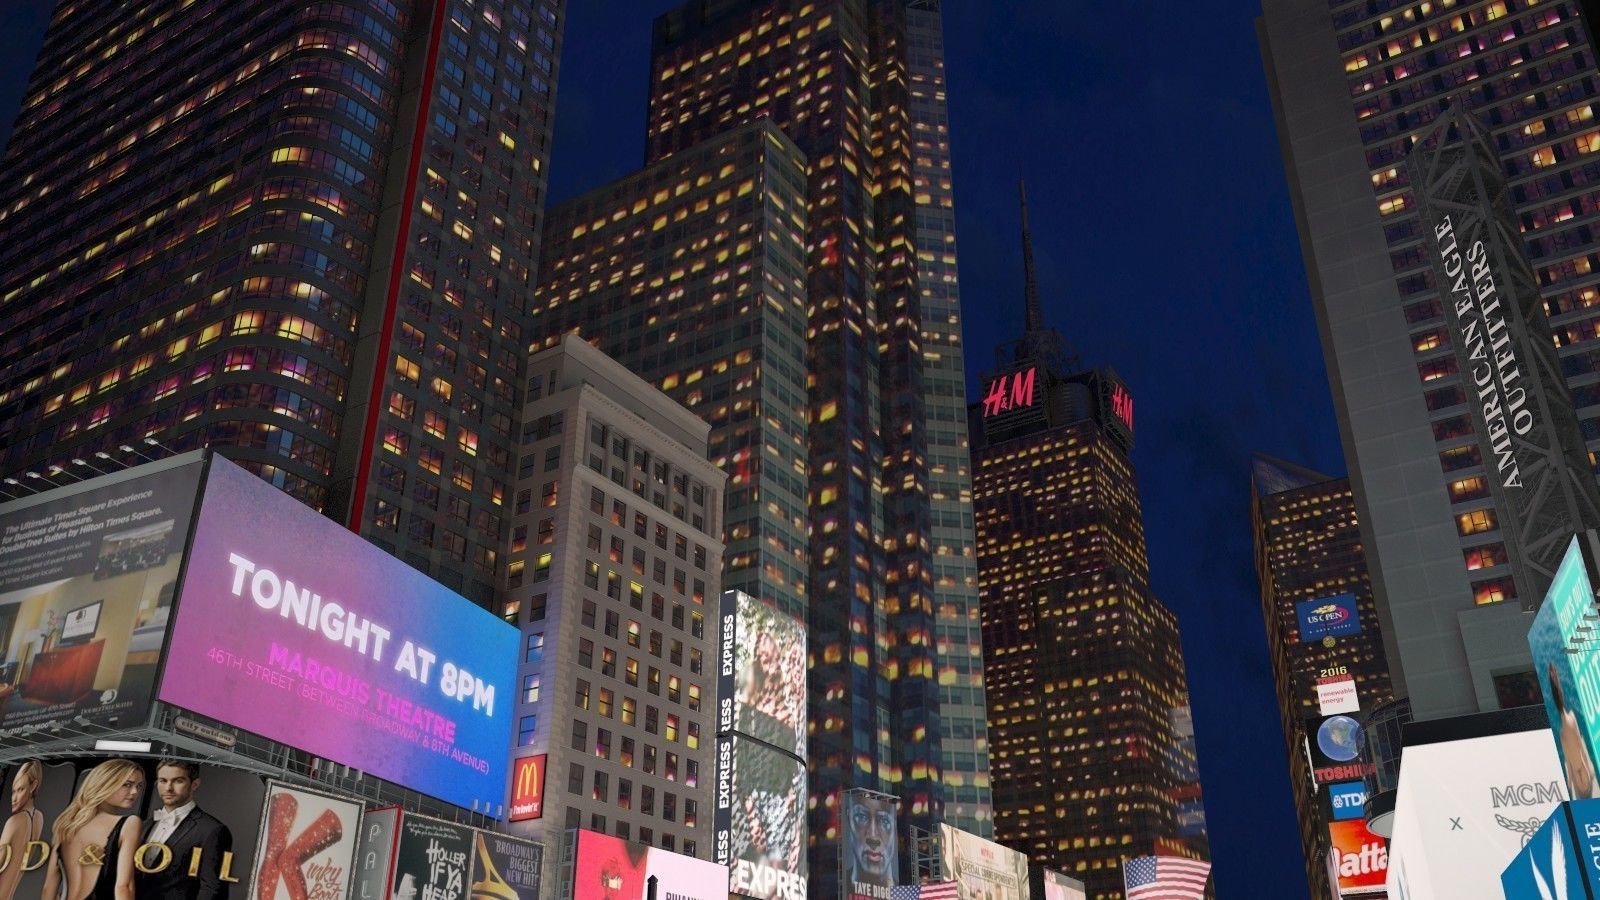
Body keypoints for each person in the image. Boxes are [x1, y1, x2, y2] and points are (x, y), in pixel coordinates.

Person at [39, 759, 143, 900]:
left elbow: (48, 890)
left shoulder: (67, 824)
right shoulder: (130, 823)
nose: (135, 792)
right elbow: (124, 887)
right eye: (127, 784)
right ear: (104, 783)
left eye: (139, 786)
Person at [134, 761, 232, 900]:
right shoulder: (143, 825)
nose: (168, 788)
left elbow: (212, 889)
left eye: (178, 781)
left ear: (195, 784)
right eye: (163, 780)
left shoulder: (212, 830)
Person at [1549, 662, 1600, 799]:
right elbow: (1580, 748)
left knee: (1582, 792)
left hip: (1577, 773)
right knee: (1587, 789)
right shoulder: (1572, 718)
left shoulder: (1562, 734)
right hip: (1582, 769)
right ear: (1562, 696)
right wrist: (1588, 769)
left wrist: (1569, 782)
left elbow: (1569, 761)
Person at [0, 762, 43, 900]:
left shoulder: (15, 821)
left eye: (20, 790)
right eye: (13, 791)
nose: (14, 798)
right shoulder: (38, 818)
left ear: (33, 786)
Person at [845, 794, 897, 897]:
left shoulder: (904, 894)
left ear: (894, 826)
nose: (873, 837)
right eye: (861, 817)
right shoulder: (838, 888)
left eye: (884, 821)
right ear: (849, 818)